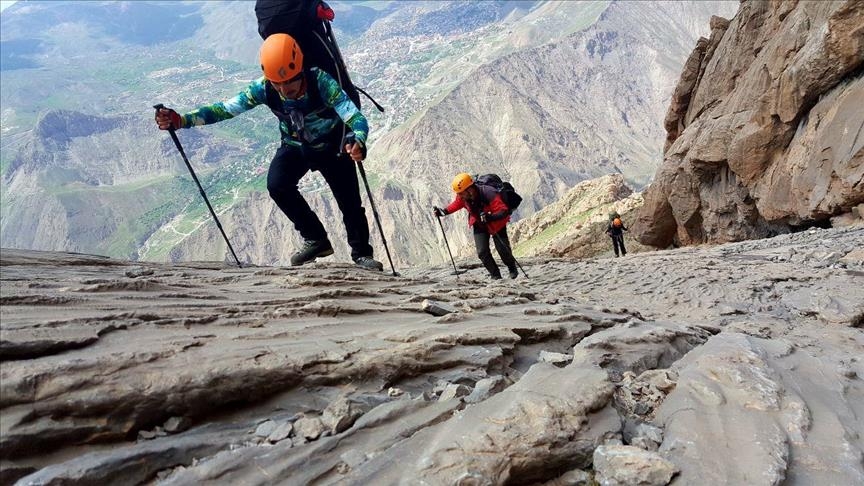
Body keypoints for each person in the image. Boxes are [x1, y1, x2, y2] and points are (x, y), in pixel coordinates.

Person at [155, 33, 383, 271]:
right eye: (277, 83)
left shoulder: (322, 82)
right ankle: (316, 239)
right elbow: (225, 109)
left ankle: (362, 255)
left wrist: (358, 140)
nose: (284, 89)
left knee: (350, 204)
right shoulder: (265, 88)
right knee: (278, 185)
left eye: (290, 82)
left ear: (301, 70)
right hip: (295, 146)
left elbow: (354, 116)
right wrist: (181, 120)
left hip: (333, 146)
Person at [433, 173, 518, 280]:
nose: (459, 196)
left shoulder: (488, 192)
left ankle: (511, 267)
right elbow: (456, 204)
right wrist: (443, 212)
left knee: (502, 250)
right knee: (482, 252)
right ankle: (495, 275)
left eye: (461, 193)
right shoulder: (463, 197)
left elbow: (503, 211)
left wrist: (490, 217)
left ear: (469, 189)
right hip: (479, 223)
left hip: (497, 223)